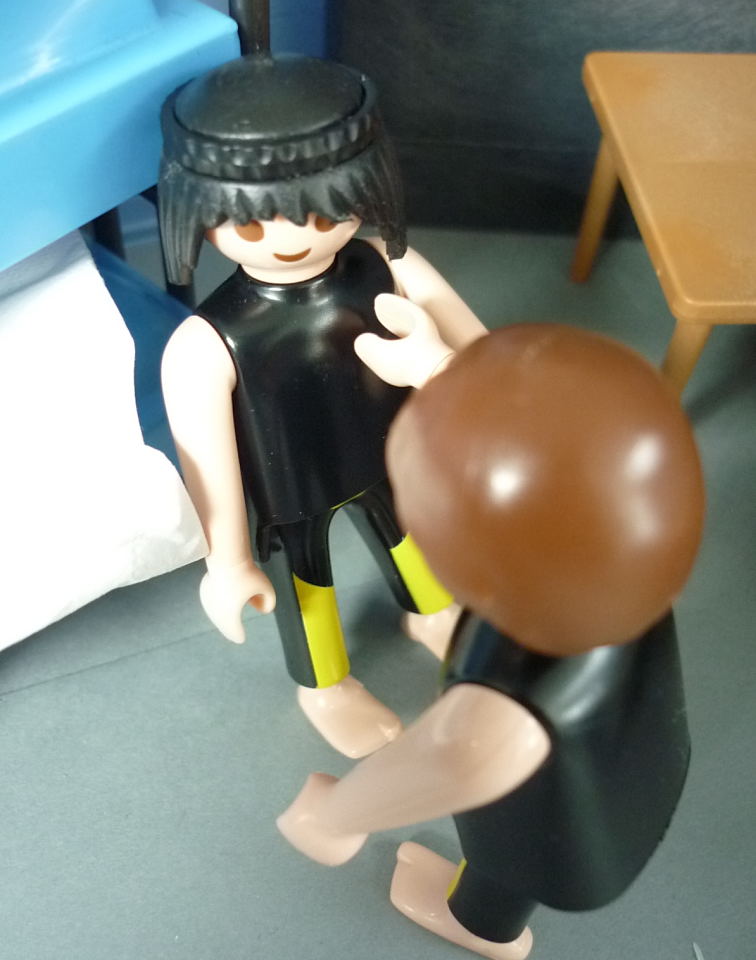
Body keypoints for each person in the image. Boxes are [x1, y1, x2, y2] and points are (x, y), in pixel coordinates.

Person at [278, 307, 705, 959]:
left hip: (561, 826)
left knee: (506, 872)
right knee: (520, 851)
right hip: (639, 763)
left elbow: (447, 760)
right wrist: (435, 368)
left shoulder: (512, 700)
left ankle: (482, 929)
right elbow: (555, 445)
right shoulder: (617, 561)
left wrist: (337, 816)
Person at [158, 53, 484, 757]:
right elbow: (206, 461)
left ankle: (433, 614)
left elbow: (487, 360)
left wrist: (436, 367)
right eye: (253, 224)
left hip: (394, 454)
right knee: (308, 590)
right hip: (289, 494)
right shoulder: (205, 342)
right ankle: (325, 686)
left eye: (324, 210)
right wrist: (228, 560)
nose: (294, 237)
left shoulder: (389, 266)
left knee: (414, 543)